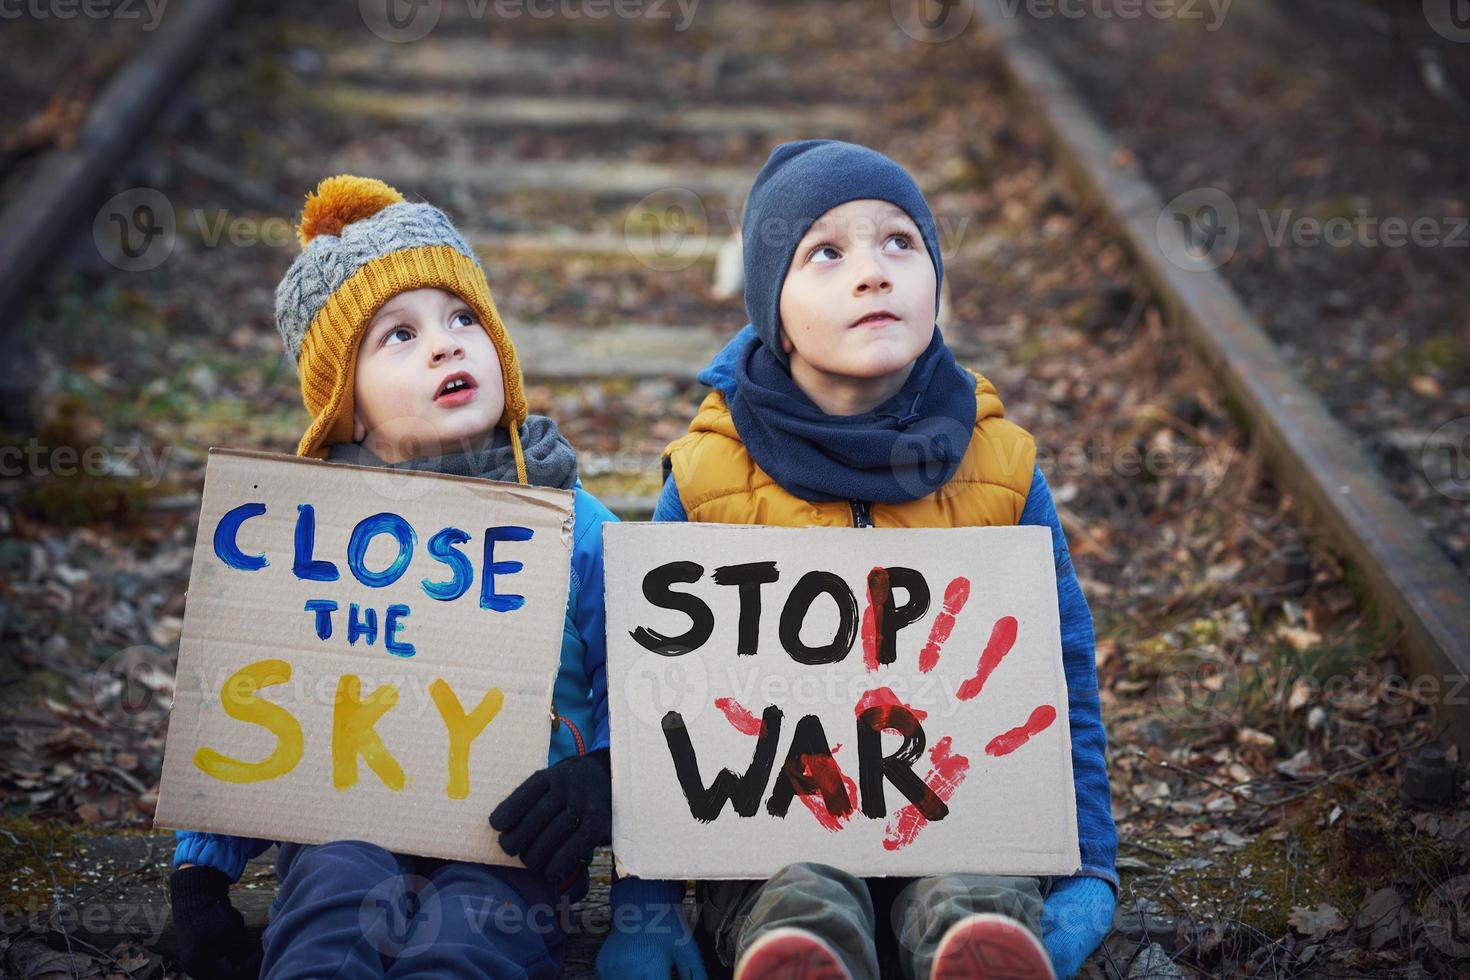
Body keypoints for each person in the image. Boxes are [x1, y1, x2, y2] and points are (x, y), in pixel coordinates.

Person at [615, 141, 1118, 980]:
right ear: (773, 308)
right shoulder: (706, 477)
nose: (874, 272)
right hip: (775, 827)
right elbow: (657, 698)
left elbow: (1062, 674)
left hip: (961, 810)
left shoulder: (1001, 467)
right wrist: (645, 907)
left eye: (900, 243)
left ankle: (980, 948)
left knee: (974, 890)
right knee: (795, 894)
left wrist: (1091, 867)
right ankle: (803, 958)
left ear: (935, 280)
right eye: (826, 252)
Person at [167, 175, 630, 979]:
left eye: (462, 320)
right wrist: (200, 875)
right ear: (345, 407)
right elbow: (248, 705)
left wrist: (601, 779)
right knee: (332, 901)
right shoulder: (308, 531)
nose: (446, 344)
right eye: (399, 336)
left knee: (474, 934)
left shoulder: (576, 524)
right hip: (344, 820)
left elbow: (638, 680)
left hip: (512, 840)